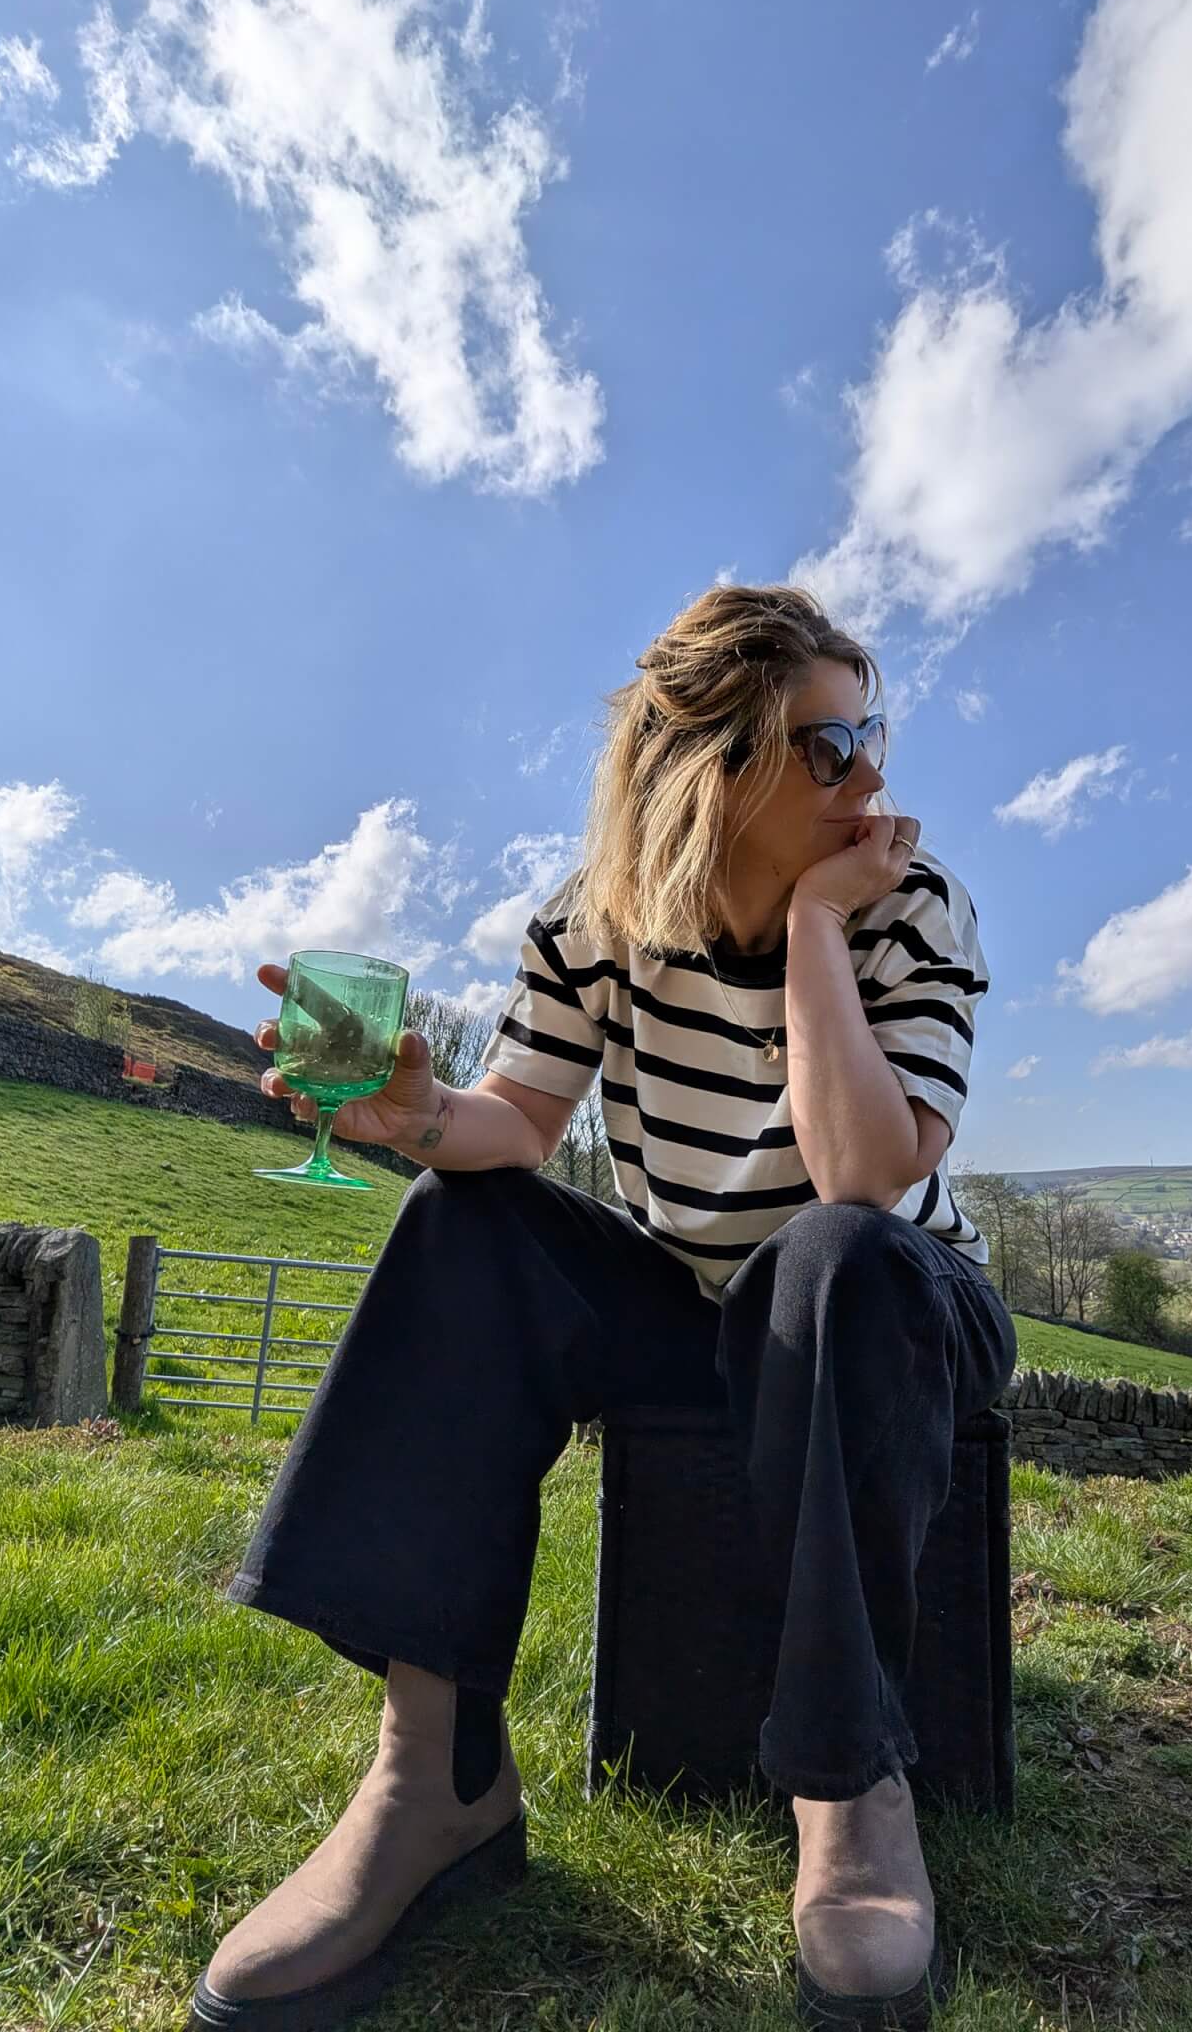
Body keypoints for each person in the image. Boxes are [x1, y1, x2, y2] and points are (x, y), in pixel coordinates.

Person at [192, 584, 1018, 2032]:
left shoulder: (909, 904)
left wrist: (821, 928)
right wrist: (415, 1117)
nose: (873, 775)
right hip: (704, 1304)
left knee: (832, 1252)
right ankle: (432, 1782)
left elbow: (866, 1174)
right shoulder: (596, 924)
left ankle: (849, 1787)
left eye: (870, 735)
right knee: (463, 1230)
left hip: (896, 1308)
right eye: (830, 748)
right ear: (711, 769)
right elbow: (512, 1120)